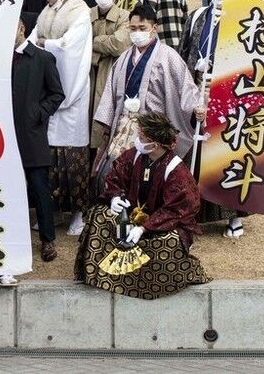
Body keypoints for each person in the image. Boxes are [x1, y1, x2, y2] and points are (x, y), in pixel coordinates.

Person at [74, 112, 210, 300]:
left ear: (154, 144)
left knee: (169, 243)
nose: (137, 139)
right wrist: (115, 197)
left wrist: (144, 228)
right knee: (99, 216)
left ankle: (143, 283)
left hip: (162, 225)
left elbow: (178, 209)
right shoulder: (134, 155)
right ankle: (100, 274)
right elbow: (115, 177)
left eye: (142, 137)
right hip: (131, 215)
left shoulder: (177, 171)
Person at [93, 5, 206, 188]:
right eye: (133, 28)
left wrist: (195, 110)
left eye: (142, 28)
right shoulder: (123, 58)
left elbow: (186, 88)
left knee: (150, 178)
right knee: (115, 172)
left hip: (154, 129)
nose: (137, 33)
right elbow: (110, 94)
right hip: (124, 125)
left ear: (154, 28)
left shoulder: (169, 57)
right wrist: (107, 126)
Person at [176, 0, 248, 237]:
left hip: (226, 93)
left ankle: (233, 216)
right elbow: (183, 52)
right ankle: (191, 211)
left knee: (224, 153)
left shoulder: (241, 18)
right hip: (196, 87)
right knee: (193, 153)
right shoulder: (196, 16)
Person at [28, 0, 93, 236]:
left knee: (72, 157)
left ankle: (78, 213)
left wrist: (46, 43)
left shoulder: (80, 14)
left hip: (72, 91)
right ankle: (51, 210)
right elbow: (32, 39)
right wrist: (39, 43)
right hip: (48, 91)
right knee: (49, 157)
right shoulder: (47, 13)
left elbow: (68, 48)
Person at [12, 13, 66, 262]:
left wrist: (38, 114)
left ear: (22, 28)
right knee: (7, 188)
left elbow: (57, 94)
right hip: (4, 135)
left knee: (39, 187)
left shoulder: (42, 58)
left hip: (32, 134)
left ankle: (47, 239)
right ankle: (11, 237)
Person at [89, 0, 131, 162]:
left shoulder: (125, 16)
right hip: (86, 76)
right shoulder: (85, 14)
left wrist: (91, 42)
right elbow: (75, 42)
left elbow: (119, 44)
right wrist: (104, 46)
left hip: (110, 77)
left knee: (104, 128)